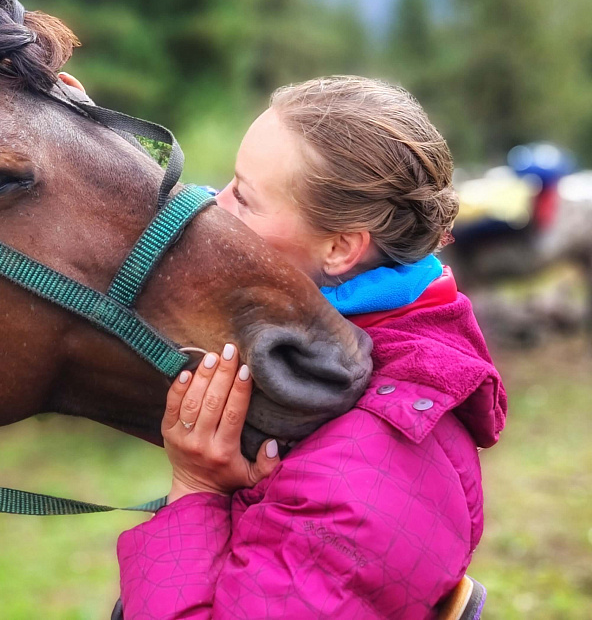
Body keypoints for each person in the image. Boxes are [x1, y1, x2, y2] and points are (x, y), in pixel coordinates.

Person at [102, 76, 507, 618]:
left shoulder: (363, 469)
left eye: (243, 197)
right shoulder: (371, 340)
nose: (215, 206)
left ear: (340, 248)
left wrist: (196, 490)